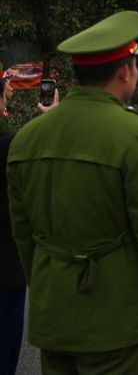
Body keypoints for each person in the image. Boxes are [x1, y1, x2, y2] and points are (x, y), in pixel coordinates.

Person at [7, 11, 138, 374]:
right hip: (119, 321)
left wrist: (48, 283)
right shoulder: (136, 135)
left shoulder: (27, 138)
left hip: (54, 314)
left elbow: (23, 233)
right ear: (125, 71)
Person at [0, 83, 58, 375]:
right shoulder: (9, 145)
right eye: (4, 90)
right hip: (5, 273)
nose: (9, 91)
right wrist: (51, 118)